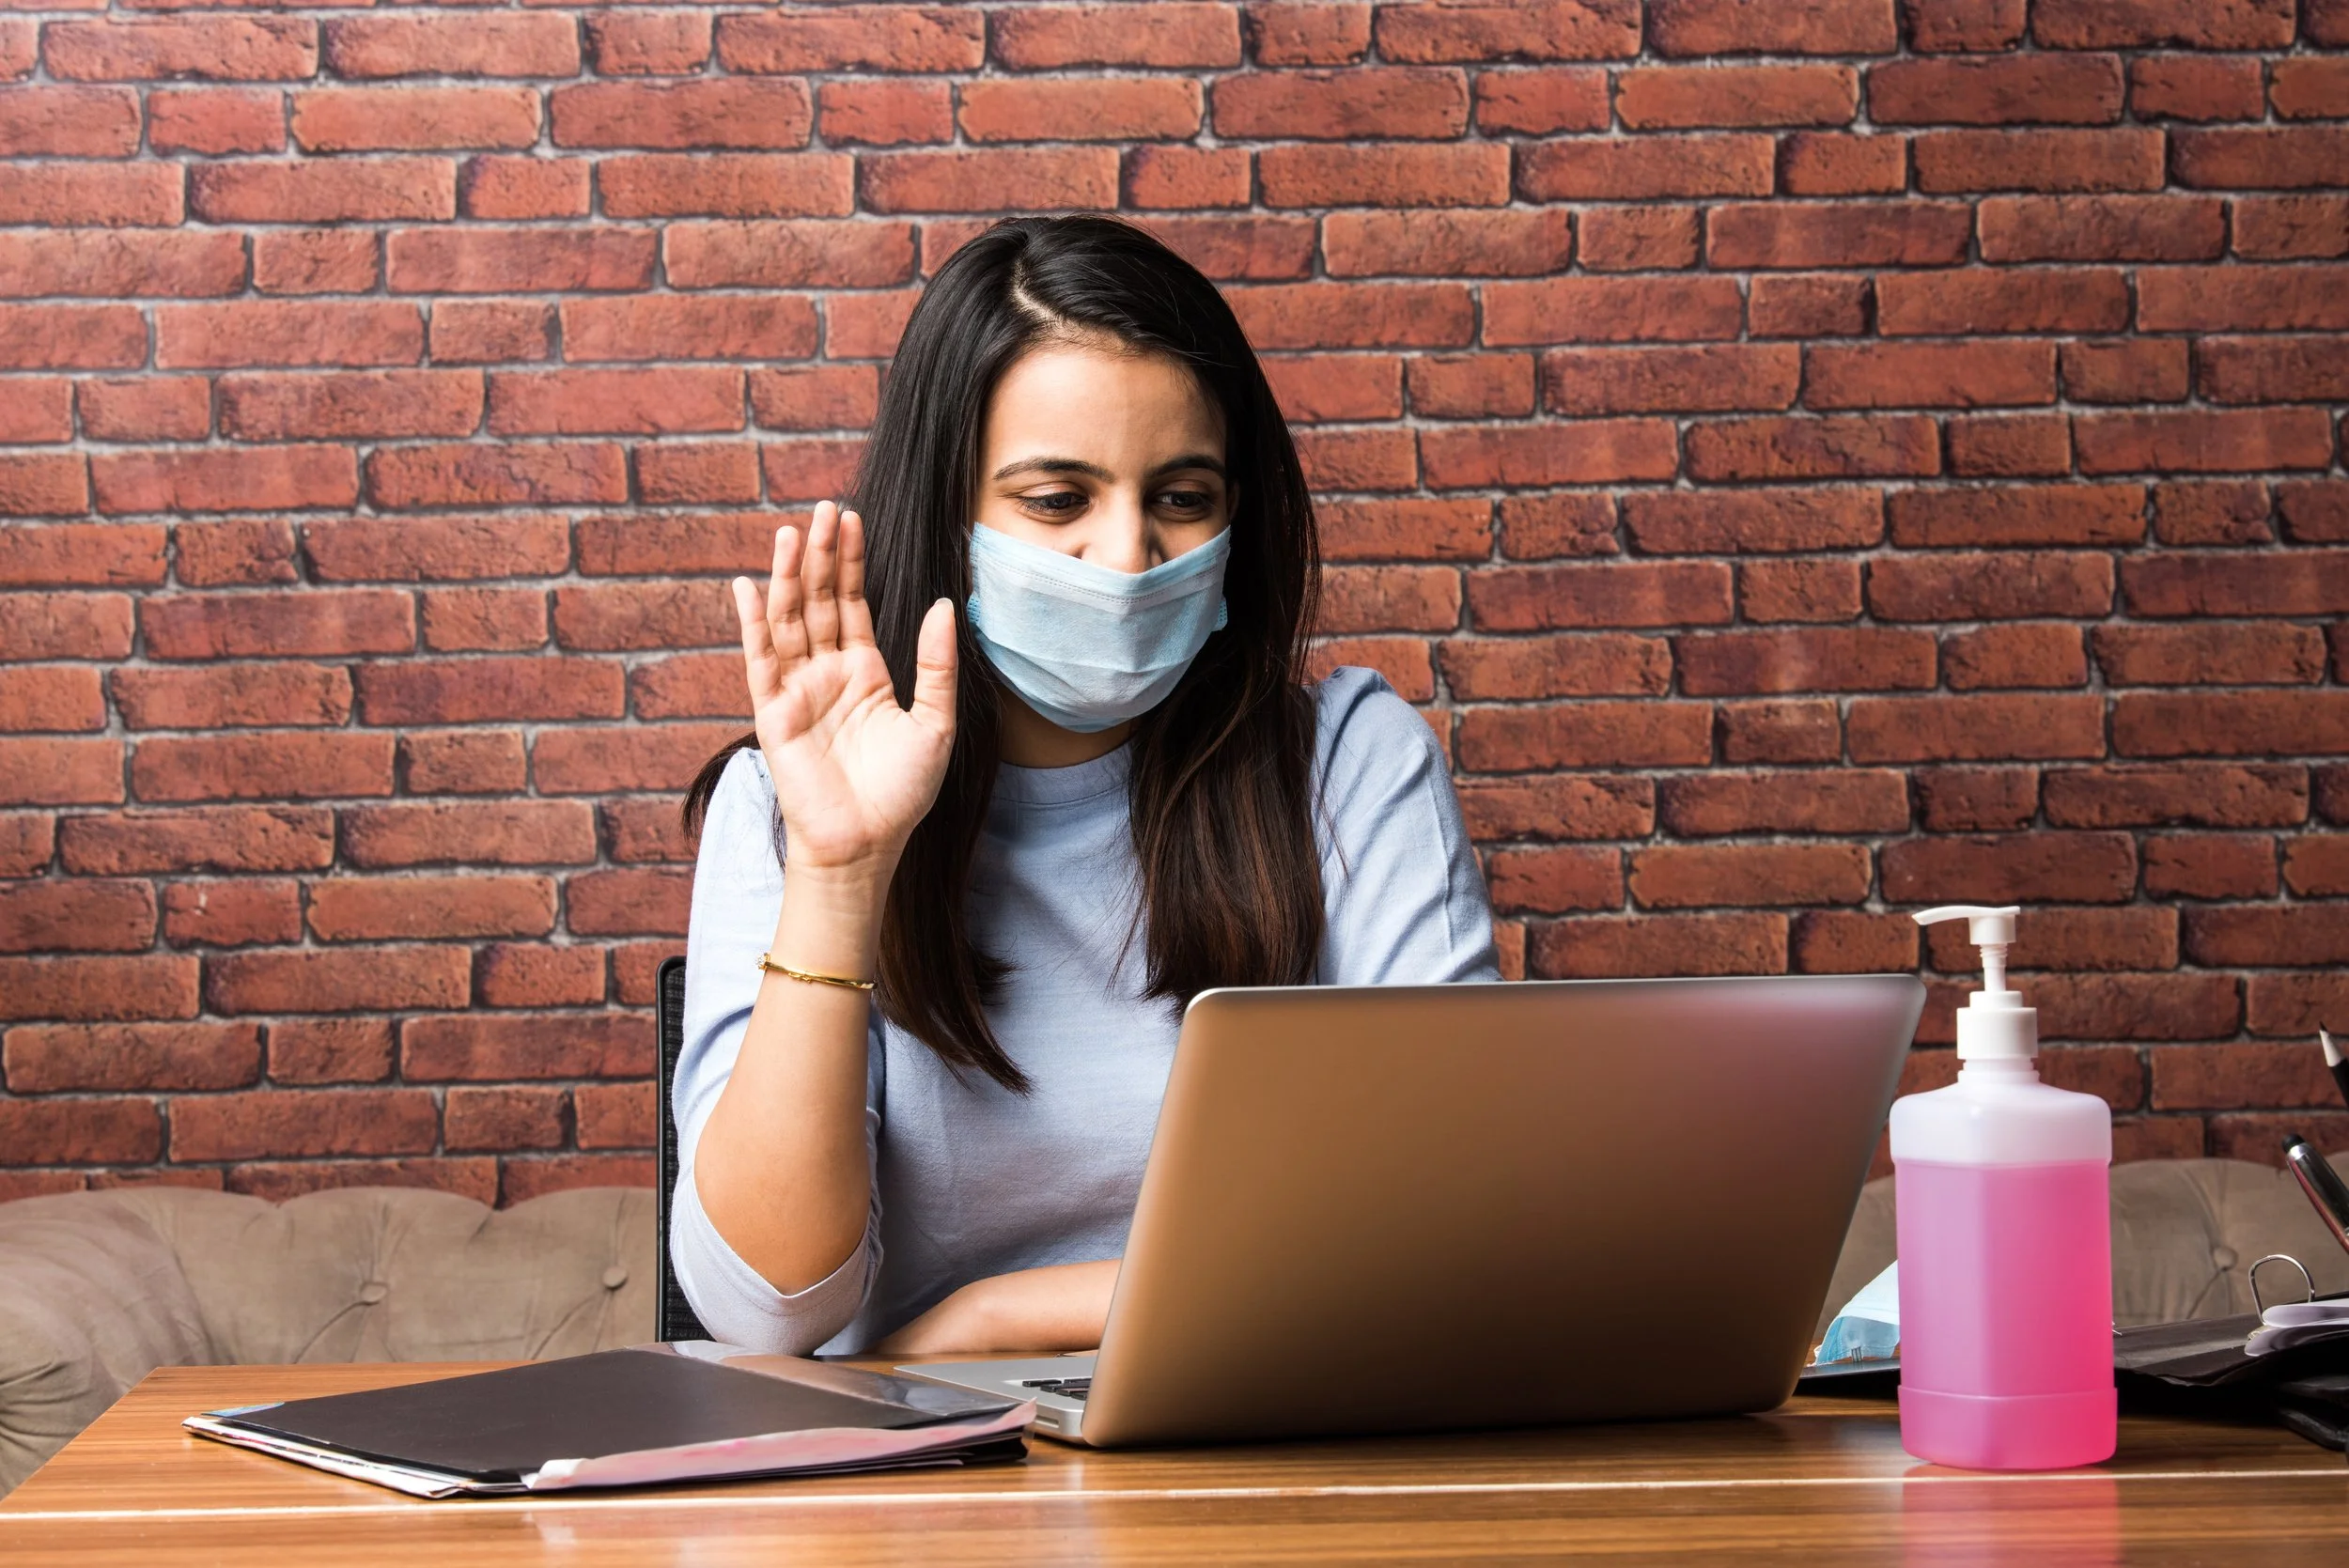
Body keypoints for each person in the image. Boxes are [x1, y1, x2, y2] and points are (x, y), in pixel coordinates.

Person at [673, 214, 1498, 1358]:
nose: (1125, 557)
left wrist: (989, 1315)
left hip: (1267, 1450)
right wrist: (840, 872)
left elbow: (1449, 1228)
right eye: (1057, 501)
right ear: (948, 518)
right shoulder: (785, 803)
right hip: (917, 1497)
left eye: (1181, 497)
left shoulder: (1349, 764)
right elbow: (764, 1311)